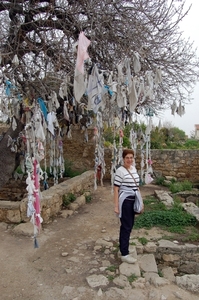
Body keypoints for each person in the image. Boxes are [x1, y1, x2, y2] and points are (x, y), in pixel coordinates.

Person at [114, 148, 143, 264]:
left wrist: (141, 201)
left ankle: (124, 248)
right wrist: (116, 206)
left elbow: (137, 186)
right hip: (125, 201)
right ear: (123, 158)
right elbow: (116, 189)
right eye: (127, 158)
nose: (129, 160)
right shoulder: (120, 171)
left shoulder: (133, 169)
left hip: (134, 200)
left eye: (131, 157)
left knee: (129, 225)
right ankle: (124, 254)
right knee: (126, 226)